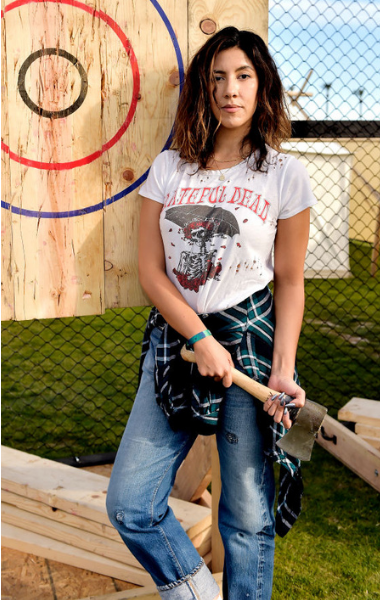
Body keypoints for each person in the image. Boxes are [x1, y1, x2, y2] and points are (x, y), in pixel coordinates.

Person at [105, 26, 316, 600]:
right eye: (218, 77)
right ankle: (193, 592)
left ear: (262, 85)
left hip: (249, 344)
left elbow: (292, 282)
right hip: (177, 344)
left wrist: (284, 370)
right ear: (203, 87)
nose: (231, 89)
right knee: (130, 502)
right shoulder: (170, 168)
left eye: (243, 76)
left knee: (247, 518)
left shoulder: (283, 175)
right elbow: (152, 272)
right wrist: (198, 337)